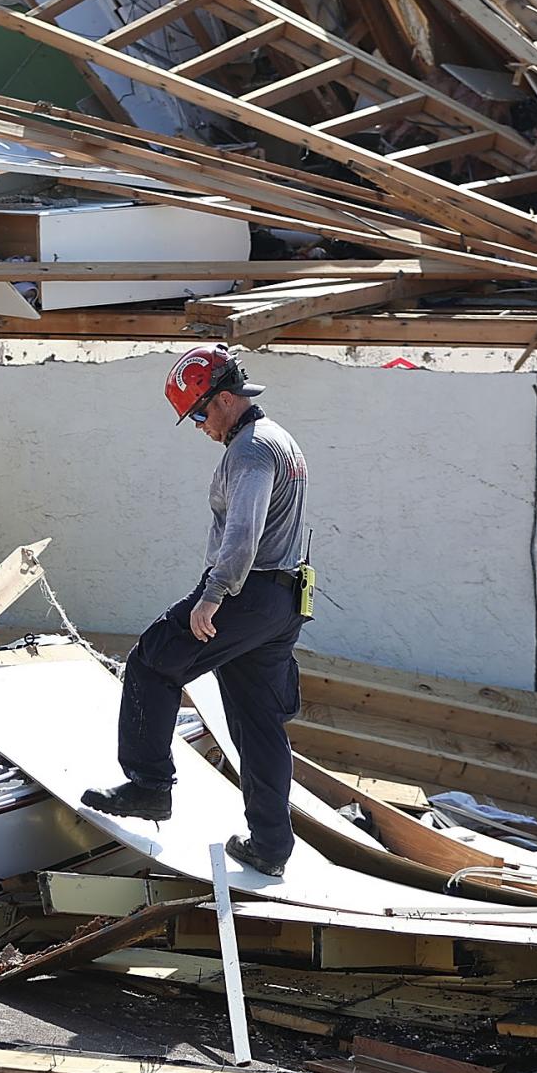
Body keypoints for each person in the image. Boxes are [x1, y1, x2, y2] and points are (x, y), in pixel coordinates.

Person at [83, 344, 311, 877]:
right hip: (284, 599)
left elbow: (243, 534)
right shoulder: (280, 440)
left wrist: (213, 594)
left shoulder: (251, 451)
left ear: (227, 399)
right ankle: (270, 846)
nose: (200, 427)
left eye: (201, 413)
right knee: (258, 724)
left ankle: (148, 786)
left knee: (152, 661)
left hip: (246, 591)